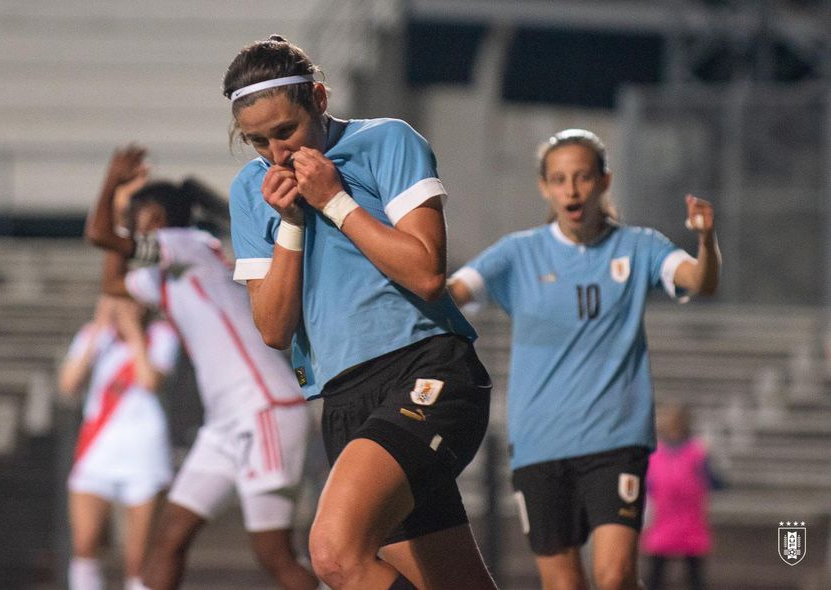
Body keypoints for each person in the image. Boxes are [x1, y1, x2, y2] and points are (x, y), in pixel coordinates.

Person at [224, 35, 497, 590]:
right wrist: (294, 223)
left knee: (333, 555)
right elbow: (274, 329)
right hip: (346, 403)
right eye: (258, 142)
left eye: (286, 132)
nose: (276, 154)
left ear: (320, 99)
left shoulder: (386, 142)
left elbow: (425, 272)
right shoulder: (252, 191)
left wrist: (334, 201)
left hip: (428, 373)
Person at [447, 128, 721, 590]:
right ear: (544, 187)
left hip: (616, 440)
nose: (571, 189)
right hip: (540, 444)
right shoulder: (519, 252)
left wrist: (707, 240)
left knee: (614, 577)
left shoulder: (639, 246)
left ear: (604, 181)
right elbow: (452, 292)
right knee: (564, 584)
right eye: (558, 179)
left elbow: (699, 280)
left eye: (582, 177)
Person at [85, 149, 317, 590]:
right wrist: (120, 211)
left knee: (275, 555)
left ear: (152, 217)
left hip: (264, 409)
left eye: (134, 218)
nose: (129, 226)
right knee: (170, 538)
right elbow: (112, 284)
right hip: (228, 422)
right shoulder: (176, 267)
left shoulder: (185, 245)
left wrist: (114, 186)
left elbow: (101, 238)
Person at [59, 292, 180, 590]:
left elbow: (150, 381)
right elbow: (68, 384)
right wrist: (100, 327)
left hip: (144, 454)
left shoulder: (161, 336)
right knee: (85, 544)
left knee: (138, 558)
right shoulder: (93, 335)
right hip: (97, 449)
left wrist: (133, 333)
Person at [642, 404, 721, 590]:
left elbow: (716, 482)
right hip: (672, 525)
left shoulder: (692, 453)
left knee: (682, 577)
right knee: (663, 577)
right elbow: (716, 483)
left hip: (682, 525)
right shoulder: (692, 453)